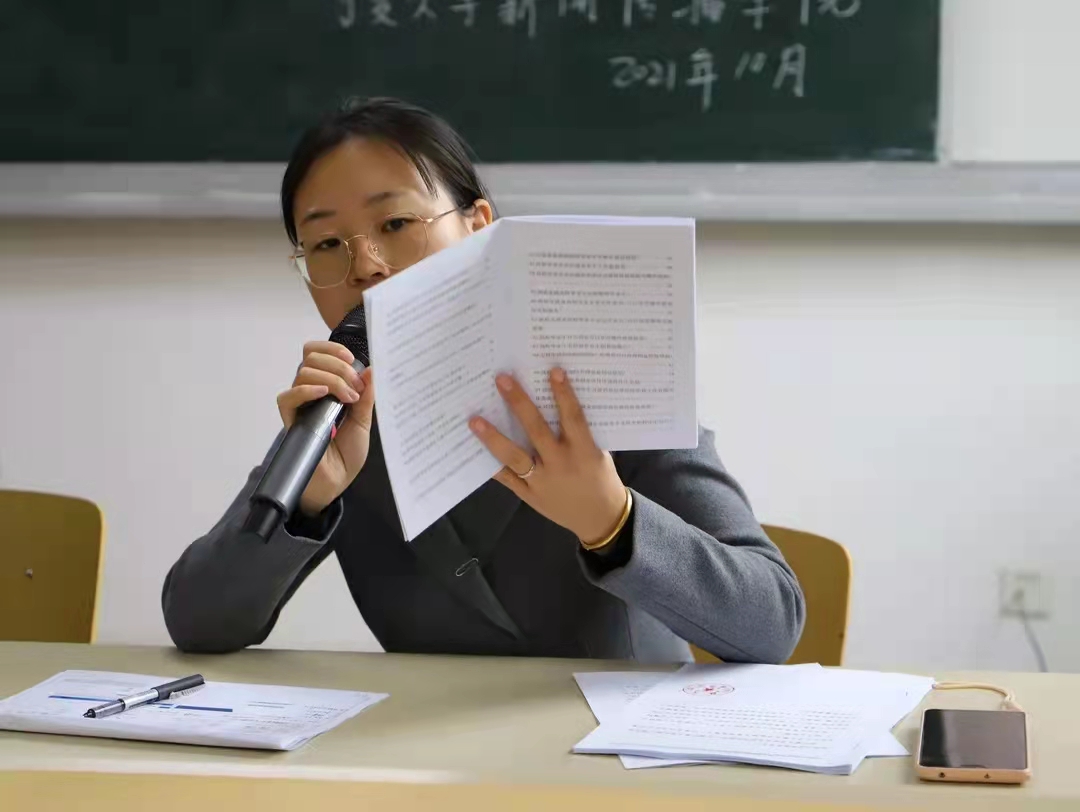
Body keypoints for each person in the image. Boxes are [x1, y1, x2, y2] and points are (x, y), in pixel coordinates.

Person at [162, 97, 805, 663]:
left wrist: (611, 521)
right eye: (327, 244)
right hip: (427, 752)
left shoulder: (602, 379)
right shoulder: (339, 418)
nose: (366, 266)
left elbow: (772, 622)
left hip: (621, 747)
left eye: (395, 224)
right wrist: (306, 500)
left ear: (479, 224)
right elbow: (198, 623)